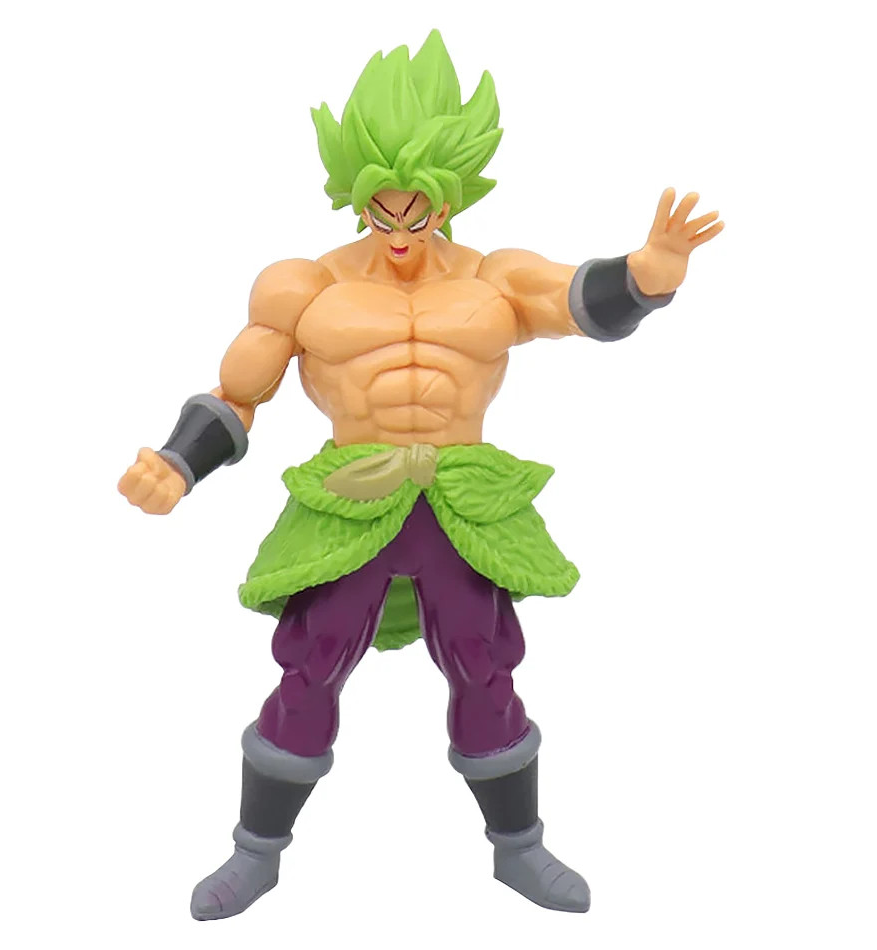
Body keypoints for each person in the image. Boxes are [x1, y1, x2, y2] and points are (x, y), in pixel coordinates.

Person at [118, 29, 723, 920]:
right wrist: (177, 463)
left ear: (452, 196)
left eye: (420, 212)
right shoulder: (300, 286)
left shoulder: (493, 279)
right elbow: (240, 393)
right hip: (351, 497)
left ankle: (519, 847)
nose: (401, 233)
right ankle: (256, 853)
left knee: (485, 665)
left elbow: (576, 300)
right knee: (311, 664)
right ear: (353, 194)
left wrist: (647, 277)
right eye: (382, 211)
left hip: (459, 497)